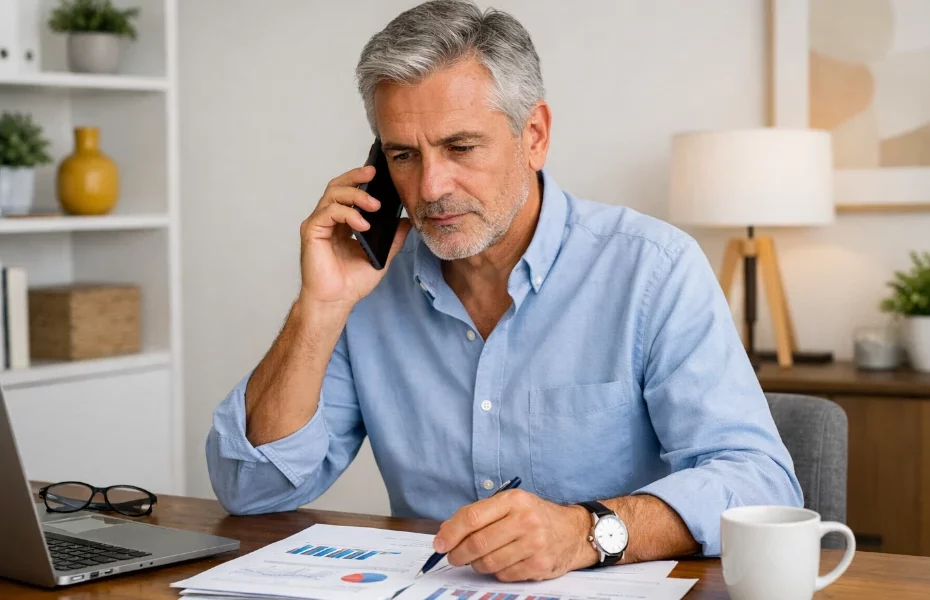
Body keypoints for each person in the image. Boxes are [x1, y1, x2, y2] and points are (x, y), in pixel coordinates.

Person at [206, 0, 802, 583]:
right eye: (403, 155)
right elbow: (251, 489)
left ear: (534, 135)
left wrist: (586, 532)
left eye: (461, 147)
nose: (431, 187)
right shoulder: (369, 285)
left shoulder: (653, 269)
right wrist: (320, 308)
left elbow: (760, 483)